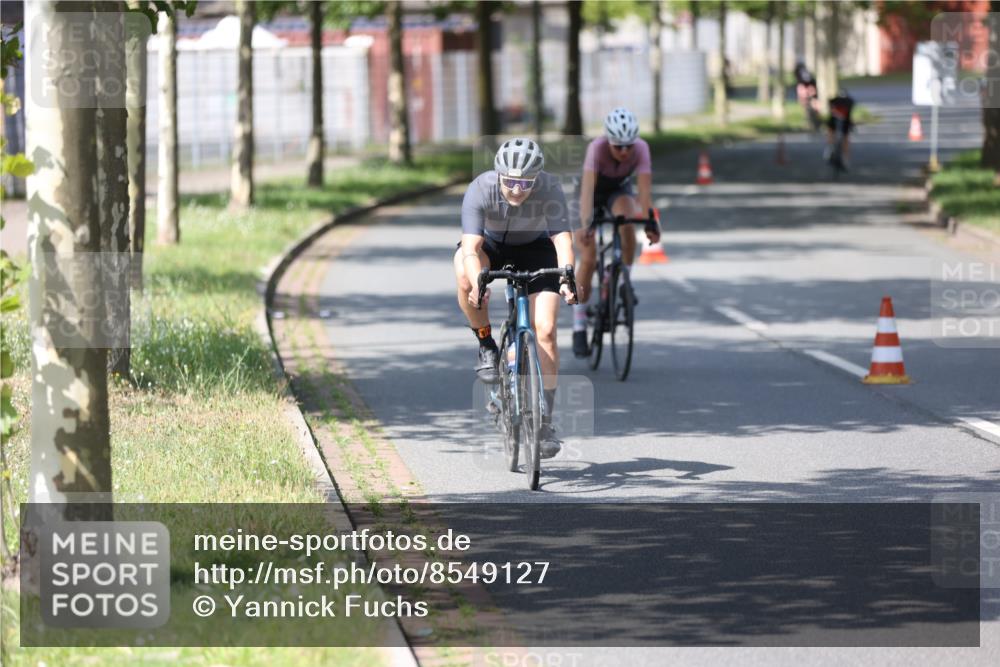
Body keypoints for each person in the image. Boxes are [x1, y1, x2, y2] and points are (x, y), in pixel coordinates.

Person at [453, 138, 577, 458]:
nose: (517, 190)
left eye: (525, 183)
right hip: (491, 247)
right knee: (463, 271)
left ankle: (544, 421)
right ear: (499, 175)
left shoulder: (550, 188)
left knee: (545, 330)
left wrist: (567, 277)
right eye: (510, 182)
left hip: (537, 250)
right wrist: (478, 283)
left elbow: (563, 239)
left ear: (537, 179)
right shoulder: (481, 189)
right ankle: (485, 343)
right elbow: (471, 248)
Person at [572, 107, 660, 358]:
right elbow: (587, 192)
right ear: (608, 140)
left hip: (618, 191)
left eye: (628, 146)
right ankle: (579, 324)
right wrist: (586, 223)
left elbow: (644, 192)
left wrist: (650, 221)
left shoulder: (641, 149)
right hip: (588, 194)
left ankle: (623, 281)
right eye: (618, 146)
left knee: (628, 222)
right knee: (588, 258)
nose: (624, 151)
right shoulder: (597, 148)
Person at [826, 89, 855, 169]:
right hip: (840, 122)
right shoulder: (849, 102)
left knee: (843, 137)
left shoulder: (834, 102)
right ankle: (831, 148)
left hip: (842, 122)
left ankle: (831, 148)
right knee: (843, 136)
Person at [794, 61, 820, 130]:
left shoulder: (802, 73)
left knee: (810, 106)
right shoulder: (803, 73)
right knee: (808, 107)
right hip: (806, 89)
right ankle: (811, 122)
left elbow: (808, 81)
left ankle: (813, 122)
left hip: (807, 89)